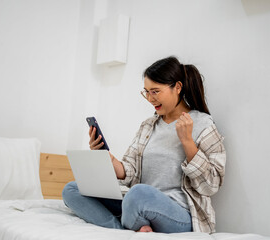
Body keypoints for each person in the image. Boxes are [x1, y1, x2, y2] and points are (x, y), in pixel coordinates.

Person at [62, 56, 226, 234]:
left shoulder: (203, 124)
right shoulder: (148, 126)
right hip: (137, 203)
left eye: (155, 91)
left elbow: (211, 185)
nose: (150, 98)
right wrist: (108, 159)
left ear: (177, 87)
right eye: (146, 92)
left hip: (177, 213)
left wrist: (187, 142)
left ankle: (130, 225)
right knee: (72, 189)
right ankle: (119, 230)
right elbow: (130, 171)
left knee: (138, 194)